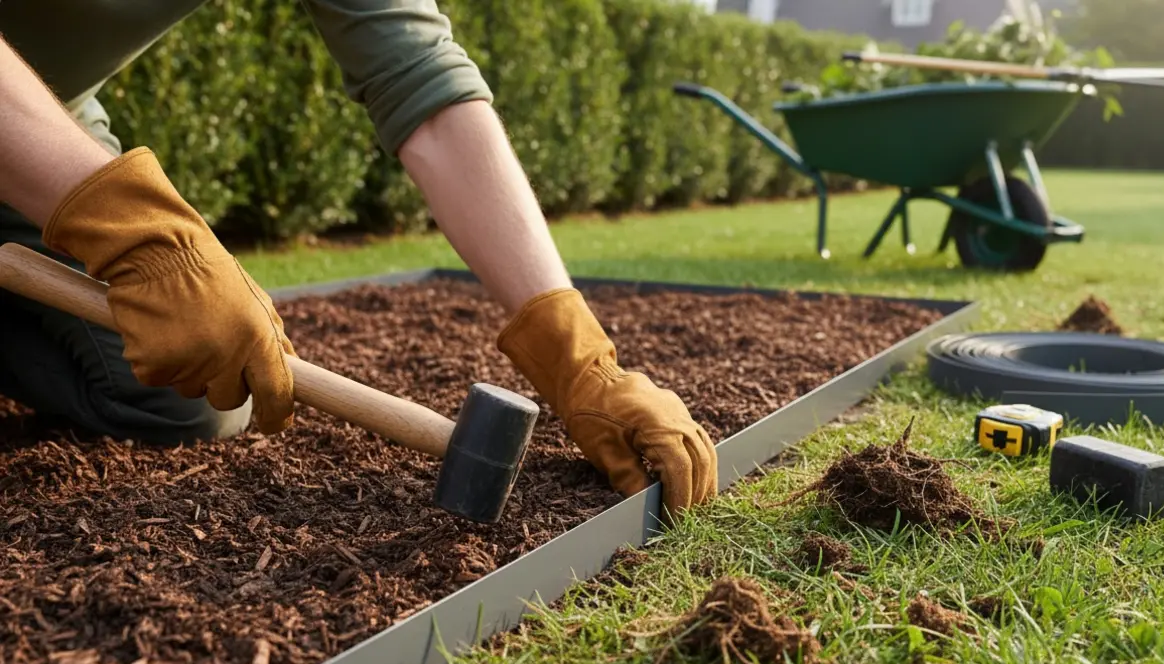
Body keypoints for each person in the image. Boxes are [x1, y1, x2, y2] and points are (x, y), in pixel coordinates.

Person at [0, 1, 717, 516]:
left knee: (182, 397)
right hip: (41, 153)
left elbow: (422, 82)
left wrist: (578, 357)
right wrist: (129, 226)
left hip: (37, 136)